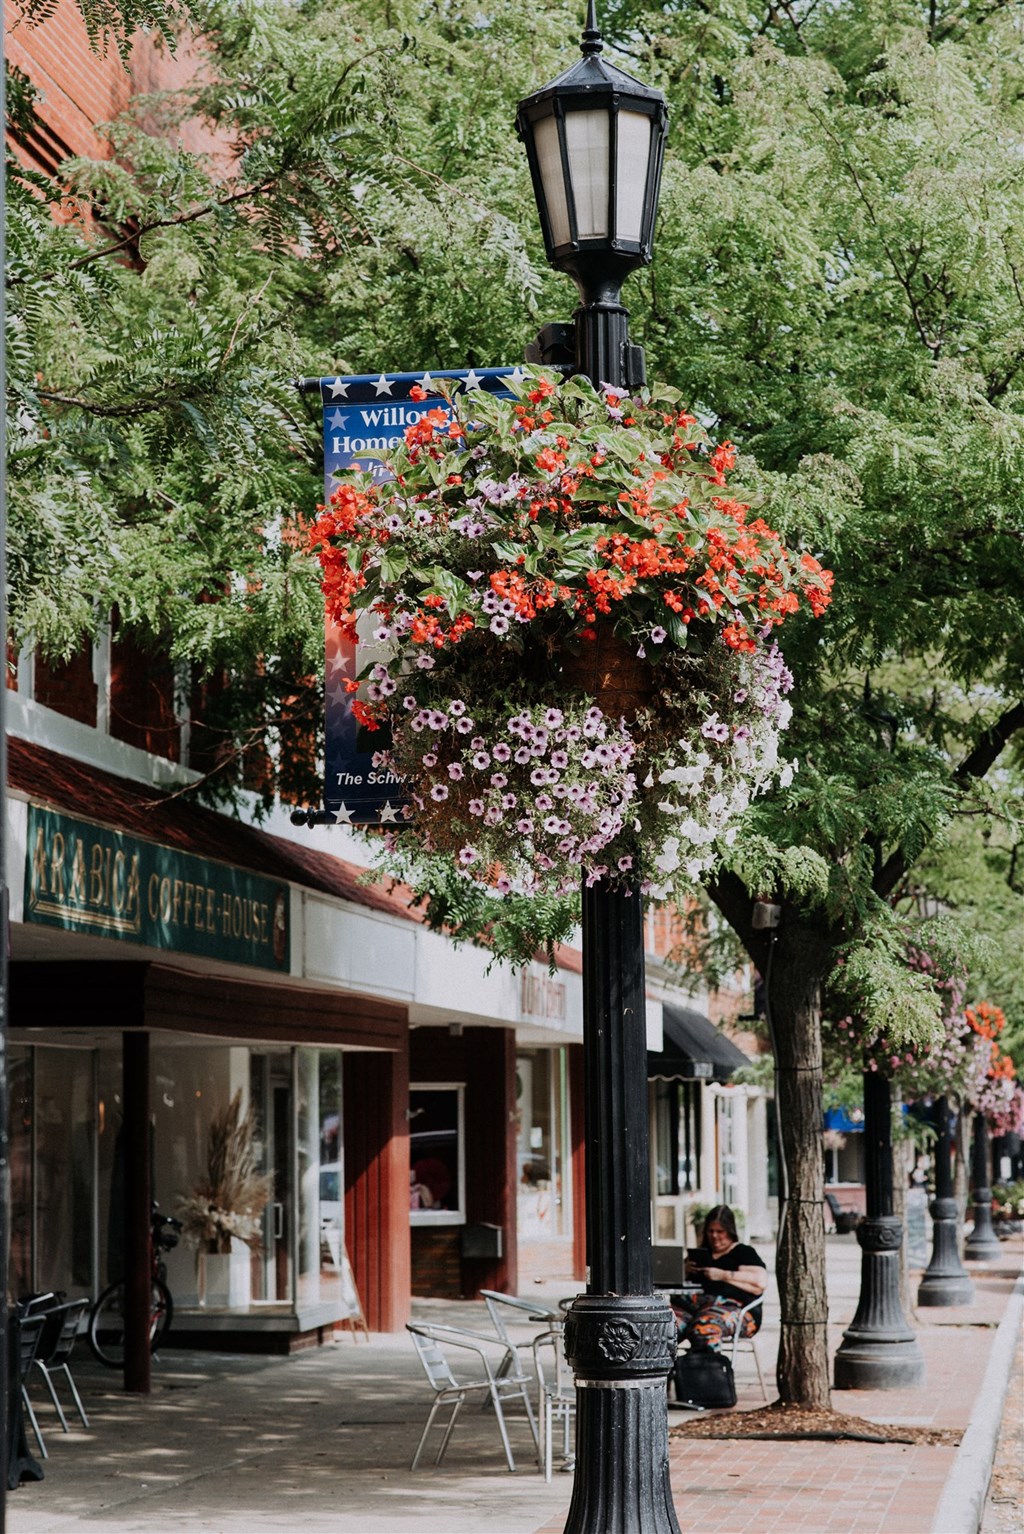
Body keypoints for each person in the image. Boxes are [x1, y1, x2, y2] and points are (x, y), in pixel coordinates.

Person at [677, 1204, 766, 1353]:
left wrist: (722, 1275)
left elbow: (760, 1281)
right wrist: (683, 1270)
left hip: (735, 1309)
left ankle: (708, 1372)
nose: (714, 1236)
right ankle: (671, 1372)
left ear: (730, 1232)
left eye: (720, 1231)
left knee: (704, 1328)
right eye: (710, 1231)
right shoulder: (701, 1254)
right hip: (692, 1308)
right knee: (662, 1328)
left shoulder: (742, 1252)